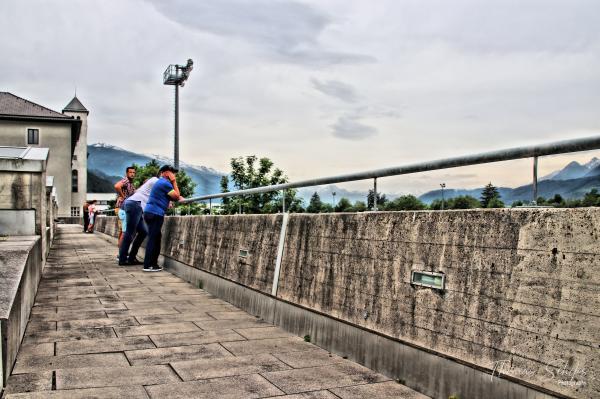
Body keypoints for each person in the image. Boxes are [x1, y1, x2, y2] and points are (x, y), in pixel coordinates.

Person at [143, 165, 184, 272]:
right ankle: (148, 265)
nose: (173, 175)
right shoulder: (165, 183)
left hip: (150, 212)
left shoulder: (161, 183)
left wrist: (177, 197)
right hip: (155, 213)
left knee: (156, 238)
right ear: (165, 173)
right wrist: (174, 182)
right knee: (153, 238)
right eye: (172, 172)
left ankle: (152, 264)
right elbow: (176, 195)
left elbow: (173, 196)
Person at [118, 174, 159, 266]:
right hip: (135, 205)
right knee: (129, 232)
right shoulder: (155, 180)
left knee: (144, 231)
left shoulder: (145, 189)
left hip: (136, 205)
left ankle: (132, 258)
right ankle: (123, 259)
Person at [114, 166, 137, 247]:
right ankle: (122, 253)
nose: (132, 174)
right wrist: (123, 196)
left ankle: (121, 250)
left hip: (122, 207)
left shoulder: (130, 183)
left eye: (134, 172)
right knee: (124, 231)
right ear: (127, 173)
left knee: (122, 230)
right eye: (130, 172)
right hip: (121, 207)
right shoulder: (126, 180)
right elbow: (117, 186)